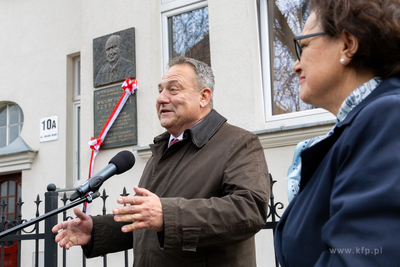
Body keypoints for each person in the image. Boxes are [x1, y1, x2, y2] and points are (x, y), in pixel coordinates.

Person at [53, 56, 270, 266]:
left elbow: (249, 210)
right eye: (160, 90)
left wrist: (166, 214)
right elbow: (146, 221)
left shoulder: (238, 143)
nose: (161, 98)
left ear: (203, 97)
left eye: (173, 89)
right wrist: (96, 230)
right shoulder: (163, 149)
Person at [274, 0, 400, 266]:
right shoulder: (359, 128)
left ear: (347, 44)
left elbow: (364, 257)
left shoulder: (387, 118)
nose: (295, 65)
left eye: (303, 46)